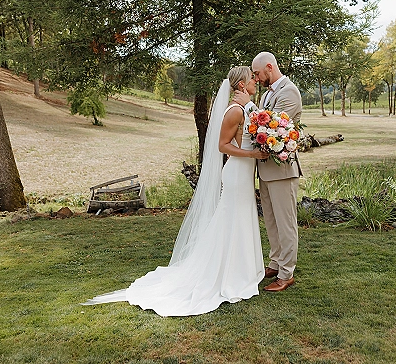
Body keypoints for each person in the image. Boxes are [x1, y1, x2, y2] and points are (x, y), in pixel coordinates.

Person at [82, 66, 269, 316]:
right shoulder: (234, 111)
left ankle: (243, 270)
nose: (256, 81)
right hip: (236, 173)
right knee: (231, 219)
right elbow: (223, 146)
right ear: (242, 85)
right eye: (252, 79)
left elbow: (256, 128)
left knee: (242, 219)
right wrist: (252, 154)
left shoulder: (246, 108)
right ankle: (227, 274)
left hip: (245, 174)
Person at [233, 52, 302, 292]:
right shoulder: (267, 94)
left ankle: (286, 273)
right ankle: (275, 262)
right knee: (271, 221)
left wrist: (248, 105)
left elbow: (272, 123)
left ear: (269, 68)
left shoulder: (289, 92)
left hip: (283, 171)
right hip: (265, 169)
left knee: (286, 224)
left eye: (258, 73)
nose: (256, 78)